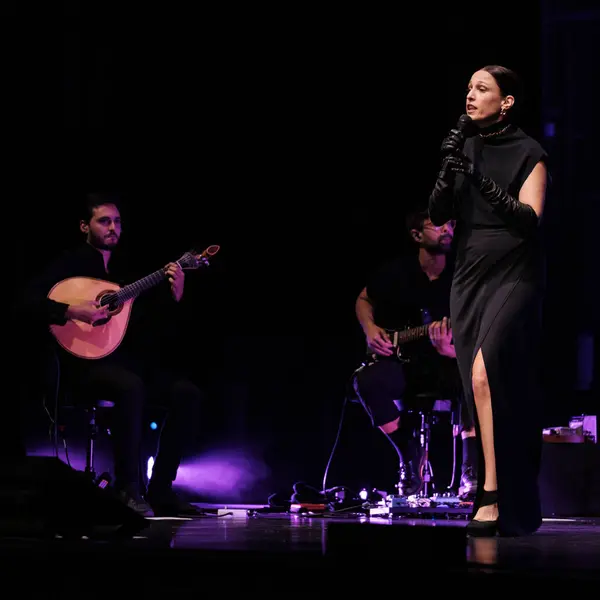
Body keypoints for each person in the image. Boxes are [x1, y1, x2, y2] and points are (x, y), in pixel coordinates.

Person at [22, 193, 204, 517]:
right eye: (104, 221)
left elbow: (151, 329)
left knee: (186, 393)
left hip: (122, 364)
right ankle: (127, 489)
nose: (112, 227)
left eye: (117, 221)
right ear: (84, 226)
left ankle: (161, 489)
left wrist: (176, 297)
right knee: (130, 386)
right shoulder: (68, 265)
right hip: (80, 367)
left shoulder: (125, 272)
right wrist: (71, 310)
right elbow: (25, 304)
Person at [428, 65, 549, 536]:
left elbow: (529, 219)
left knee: (487, 371)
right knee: (474, 383)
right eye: (468, 89)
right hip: (469, 274)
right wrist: (450, 164)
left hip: (516, 271)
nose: (471, 96)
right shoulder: (467, 146)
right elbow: (438, 213)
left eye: (482, 89)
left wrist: (477, 177)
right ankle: (490, 493)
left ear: (507, 100)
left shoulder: (529, 152)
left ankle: (496, 494)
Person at [354, 209, 477, 498]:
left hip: (448, 364)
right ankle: (409, 455)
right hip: (406, 365)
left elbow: (480, 327)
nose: (446, 230)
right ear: (416, 235)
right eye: (437, 225)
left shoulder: (464, 274)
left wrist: (453, 350)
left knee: (473, 380)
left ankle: (470, 471)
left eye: (450, 224)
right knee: (366, 380)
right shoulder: (399, 271)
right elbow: (363, 299)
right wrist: (370, 329)